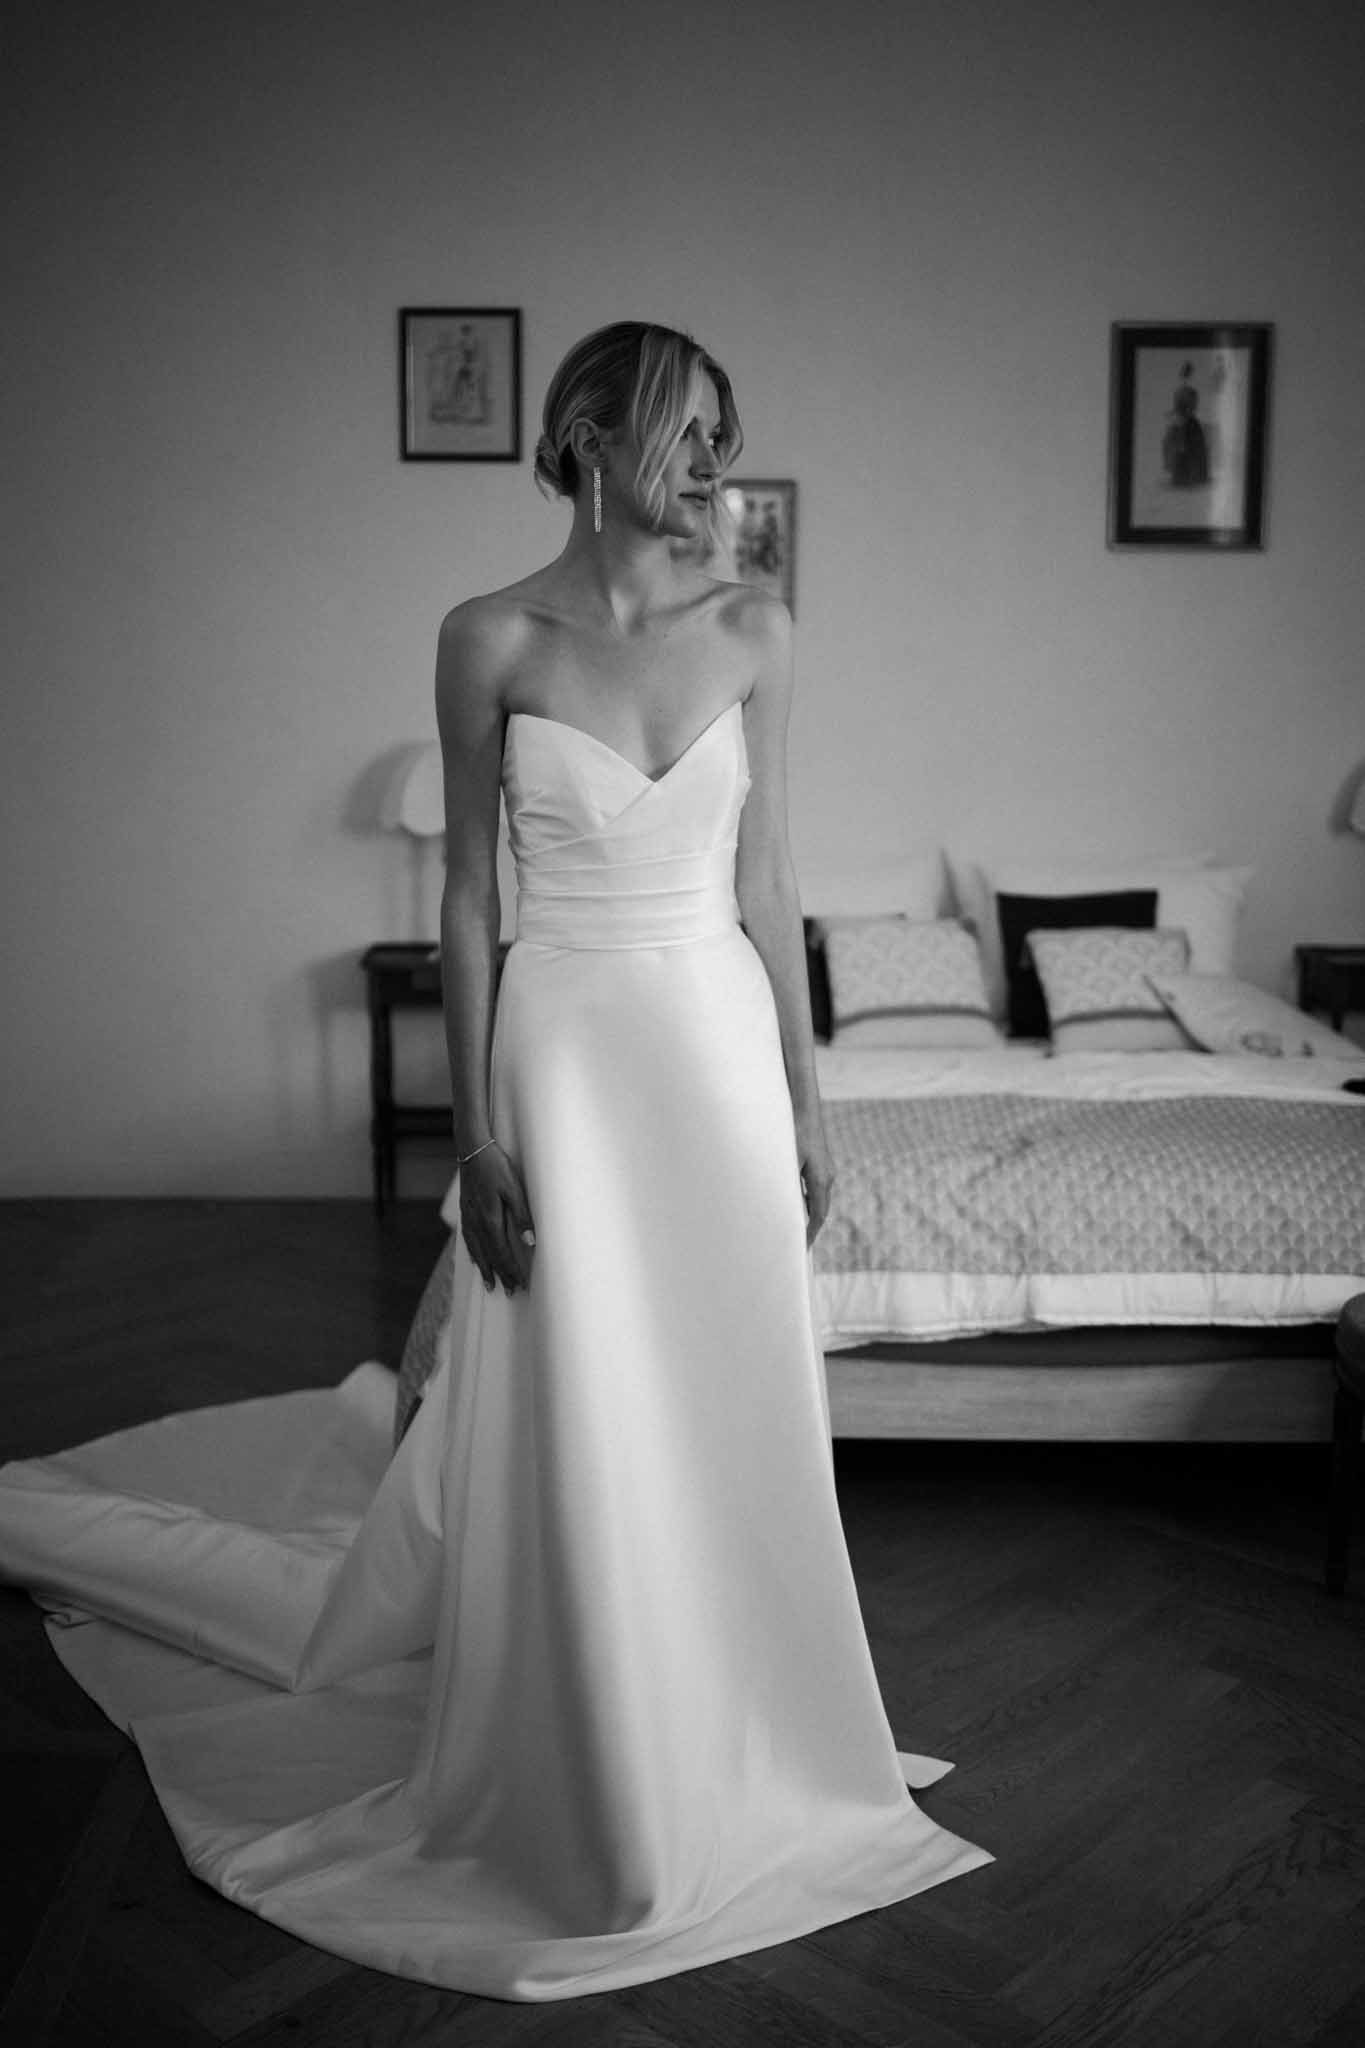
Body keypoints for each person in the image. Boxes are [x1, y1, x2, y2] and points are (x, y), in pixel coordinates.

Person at [0, 320, 992, 2001]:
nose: (709, 469)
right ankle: (588, 1754)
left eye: (726, 440)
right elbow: (468, 895)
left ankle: (751, 1728)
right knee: (581, 1393)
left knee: (726, 1392)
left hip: (712, 1050)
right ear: (592, 433)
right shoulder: (486, 638)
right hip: (568, 1046)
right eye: (688, 434)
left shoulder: (758, 623)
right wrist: (475, 1132)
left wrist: (807, 1105)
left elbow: (767, 881)